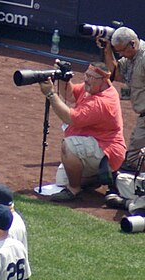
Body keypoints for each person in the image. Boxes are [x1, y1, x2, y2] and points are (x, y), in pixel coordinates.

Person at [39, 62, 126, 202]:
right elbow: (71, 94)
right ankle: (102, 177)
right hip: (96, 145)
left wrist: (50, 93)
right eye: (86, 75)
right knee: (62, 179)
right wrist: (63, 78)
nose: (86, 79)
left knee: (69, 146)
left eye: (91, 77)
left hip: (107, 150)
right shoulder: (93, 89)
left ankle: (74, 191)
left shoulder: (102, 102)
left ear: (103, 80)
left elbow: (69, 118)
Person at [101, 27, 145, 172]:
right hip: (142, 116)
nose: (121, 55)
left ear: (133, 44)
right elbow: (114, 74)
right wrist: (108, 51)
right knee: (132, 158)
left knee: (133, 159)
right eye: (118, 52)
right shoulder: (130, 58)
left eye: (122, 51)